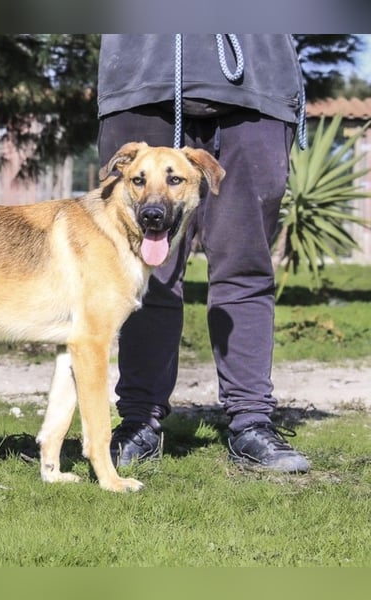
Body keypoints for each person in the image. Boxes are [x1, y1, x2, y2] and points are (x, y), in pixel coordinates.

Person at [97, 34, 310, 473]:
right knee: (141, 274)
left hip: (258, 88)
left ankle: (252, 421)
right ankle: (138, 420)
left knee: (246, 267)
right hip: (142, 79)